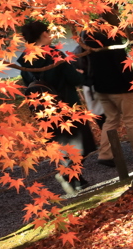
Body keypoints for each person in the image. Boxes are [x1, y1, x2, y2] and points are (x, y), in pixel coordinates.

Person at [18, 20, 91, 197]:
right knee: (74, 142)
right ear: (43, 34)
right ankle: (76, 179)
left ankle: (72, 178)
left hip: (42, 107)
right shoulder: (54, 55)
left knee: (58, 143)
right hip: (66, 103)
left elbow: (28, 84)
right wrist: (79, 75)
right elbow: (74, 79)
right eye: (48, 32)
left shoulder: (23, 59)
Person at [80, 29, 133, 166]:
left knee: (111, 120)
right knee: (132, 119)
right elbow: (122, 63)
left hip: (100, 86)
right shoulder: (111, 34)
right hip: (120, 86)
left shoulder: (87, 34)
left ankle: (106, 153)